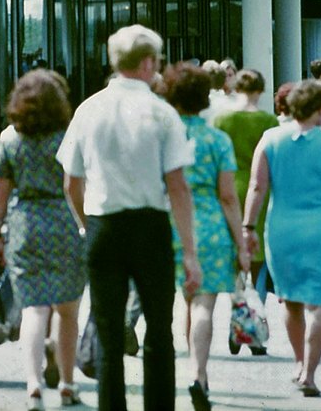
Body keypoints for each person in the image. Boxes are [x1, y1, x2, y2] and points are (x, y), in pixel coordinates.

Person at [56, 24, 200, 411]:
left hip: (104, 226)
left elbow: (71, 181)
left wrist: (86, 223)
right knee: (158, 329)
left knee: (107, 331)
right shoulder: (161, 113)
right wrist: (189, 251)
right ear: (150, 61)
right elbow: (178, 187)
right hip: (150, 225)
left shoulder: (89, 109)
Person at [242, 79, 321, 398]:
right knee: (320, 305)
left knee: (290, 300)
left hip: (281, 228)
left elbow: (257, 187)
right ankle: (310, 372)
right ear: (318, 109)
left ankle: (298, 361)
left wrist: (248, 227)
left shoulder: (270, 139)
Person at [0, 69, 86, 410]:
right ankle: (68, 384)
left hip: (26, 225)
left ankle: (32, 384)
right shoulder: (68, 138)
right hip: (65, 222)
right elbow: (80, 185)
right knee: (67, 310)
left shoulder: (10, 141)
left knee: (34, 308)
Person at [160, 62, 247, 411]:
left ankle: (189, 368)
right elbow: (228, 195)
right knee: (204, 305)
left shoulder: (163, 135)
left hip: (167, 221)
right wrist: (241, 242)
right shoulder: (216, 139)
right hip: (209, 225)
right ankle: (199, 373)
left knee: (183, 300)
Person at [213, 68, 279, 333]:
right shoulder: (269, 121)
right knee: (257, 257)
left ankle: (237, 312)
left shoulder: (222, 120)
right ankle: (253, 320)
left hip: (228, 186)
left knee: (234, 254)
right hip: (259, 189)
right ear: (260, 91)